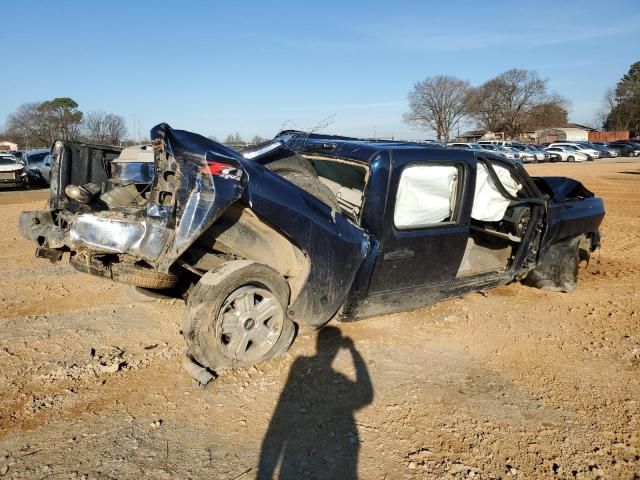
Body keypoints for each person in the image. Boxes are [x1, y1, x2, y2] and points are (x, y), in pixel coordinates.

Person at [258, 327, 373, 479]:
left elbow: (281, 410)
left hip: (295, 454)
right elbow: (366, 396)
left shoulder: (300, 364)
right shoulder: (305, 366)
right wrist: (353, 351)